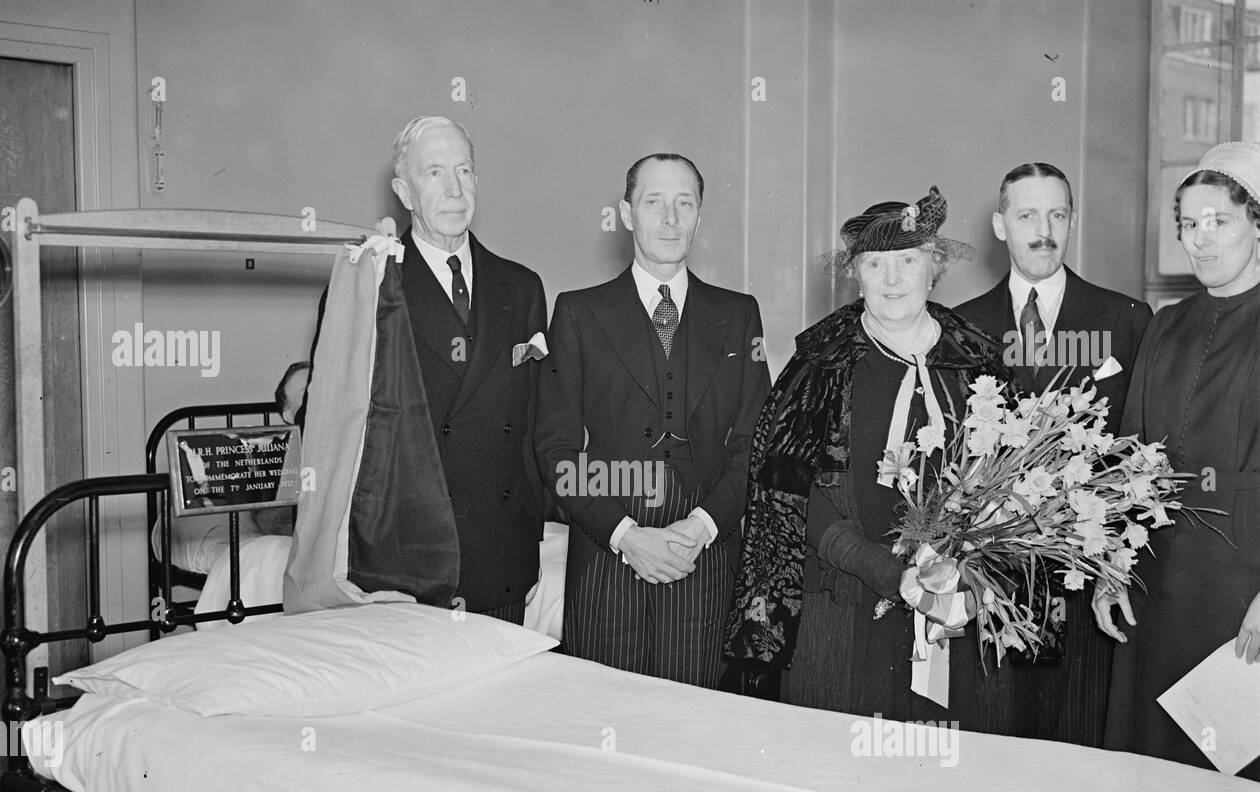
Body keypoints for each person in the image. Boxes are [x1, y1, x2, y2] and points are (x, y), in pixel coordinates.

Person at [725, 187, 1018, 727]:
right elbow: (783, 491)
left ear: (934, 267)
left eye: (907, 261)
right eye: (874, 264)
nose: (891, 279)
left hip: (956, 611)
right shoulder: (819, 363)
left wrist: (963, 566)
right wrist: (882, 568)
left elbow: (1014, 481)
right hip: (844, 610)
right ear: (853, 275)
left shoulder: (980, 359)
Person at [535, 153, 768, 688]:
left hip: (702, 556)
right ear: (626, 213)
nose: (669, 219)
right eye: (654, 202)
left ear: (699, 216)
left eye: (684, 203)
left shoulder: (737, 315)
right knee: (603, 732)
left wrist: (703, 526)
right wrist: (625, 535)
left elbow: (756, 443)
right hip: (607, 554)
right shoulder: (578, 312)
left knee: (696, 734)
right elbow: (556, 446)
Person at [309, 116, 548, 622]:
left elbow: (534, 424)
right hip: (404, 557)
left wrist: (530, 533)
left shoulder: (521, 287)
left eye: (464, 170)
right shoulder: (371, 283)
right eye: (435, 172)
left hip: (499, 552)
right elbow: (329, 418)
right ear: (405, 192)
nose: (455, 188)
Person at [956, 162, 1153, 747]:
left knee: (1083, 749)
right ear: (1000, 225)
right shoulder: (963, 327)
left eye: (1057, 215)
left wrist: (1116, 564)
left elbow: (1141, 449)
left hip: (1089, 583)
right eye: (1027, 215)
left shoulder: (1125, 319)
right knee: (998, 751)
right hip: (996, 589)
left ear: (1072, 222)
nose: (1044, 230)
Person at [1099, 141, 1260, 781]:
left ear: (1258, 223)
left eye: (1218, 221)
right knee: (1153, 782)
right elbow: (1131, 456)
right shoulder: (1166, 325)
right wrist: (1109, 563)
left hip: (1241, 596)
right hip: (1155, 589)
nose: (1200, 240)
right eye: (1189, 225)